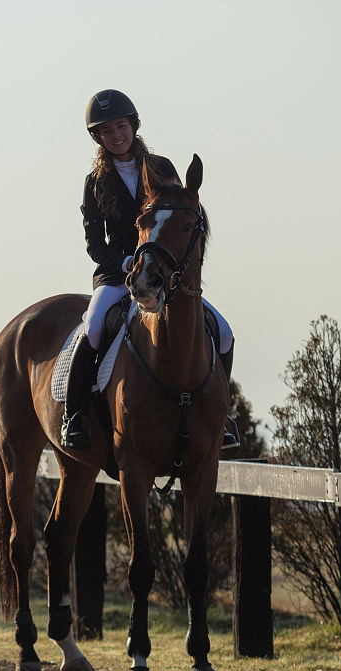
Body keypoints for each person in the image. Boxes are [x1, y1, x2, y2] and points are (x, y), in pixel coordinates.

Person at [60, 89, 237, 449]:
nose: (116, 136)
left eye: (121, 127)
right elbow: (95, 244)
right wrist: (125, 261)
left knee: (224, 332)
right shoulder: (95, 183)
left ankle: (223, 415)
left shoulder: (162, 168)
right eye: (106, 131)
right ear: (99, 138)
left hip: (164, 274)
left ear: (133, 126)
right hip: (118, 274)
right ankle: (74, 415)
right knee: (92, 328)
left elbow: (179, 219)